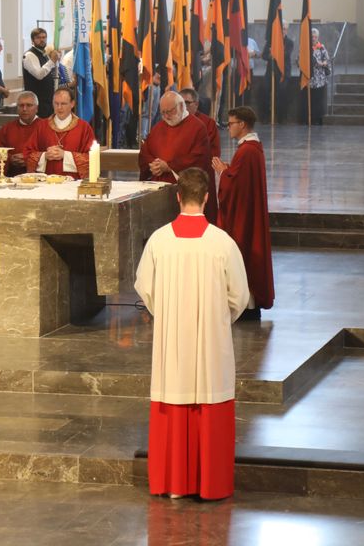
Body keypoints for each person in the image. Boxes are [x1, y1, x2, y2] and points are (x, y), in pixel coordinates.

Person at [134, 168, 248, 501]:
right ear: (207, 198)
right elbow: (239, 296)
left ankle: (174, 484)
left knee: (173, 395)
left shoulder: (159, 241)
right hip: (211, 343)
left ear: (178, 197)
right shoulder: (222, 243)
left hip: (172, 343)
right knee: (210, 396)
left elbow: (145, 288)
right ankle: (210, 484)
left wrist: (168, 314)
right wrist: (218, 319)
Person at [211, 106, 274, 320]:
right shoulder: (251, 149)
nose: (228, 127)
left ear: (242, 124)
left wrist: (223, 173)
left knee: (244, 254)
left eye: (231, 123)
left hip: (244, 217)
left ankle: (246, 305)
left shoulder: (247, 151)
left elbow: (235, 186)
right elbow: (241, 180)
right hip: (248, 211)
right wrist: (229, 171)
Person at [139, 91, 215, 221]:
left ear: (181, 106)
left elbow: (199, 158)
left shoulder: (197, 127)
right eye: (163, 112)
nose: (166, 116)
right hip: (159, 190)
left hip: (186, 190)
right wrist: (153, 164)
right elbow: (145, 152)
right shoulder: (158, 127)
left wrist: (169, 166)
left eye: (169, 111)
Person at [25, 87, 95, 178]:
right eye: (56, 103)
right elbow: (28, 154)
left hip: (73, 182)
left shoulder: (84, 127)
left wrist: (65, 155)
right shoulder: (42, 126)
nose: (59, 107)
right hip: (46, 181)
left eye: (63, 104)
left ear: (72, 104)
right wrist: (44, 156)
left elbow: (92, 158)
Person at [0, 91, 45, 177]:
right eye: (21, 105)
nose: (24, 109)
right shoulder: (7, 129)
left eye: (29, 105)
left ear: (37, 108)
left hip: (39, 178)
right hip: (12, 177)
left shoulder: (46, 127)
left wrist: (30, 159)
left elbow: (51, 153)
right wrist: (9, 159)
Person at [22, 27, 60, 118]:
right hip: (37, 101)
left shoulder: (44, 54)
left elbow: (51, 72)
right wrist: (52, 61)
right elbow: (39, 75)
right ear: (32, 40)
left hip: (48, 100)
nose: (42, 40)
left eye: (44, 37)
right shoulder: (29, 55)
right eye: (38, 38)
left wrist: (56, 60)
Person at [179, 87, 219, 159]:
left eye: (187, 103)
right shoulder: (172, 121)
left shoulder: (208, 123)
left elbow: (214, 151)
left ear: (196, 104)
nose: (183, 107)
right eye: (180, 103)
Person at [307, 28, 330, 126]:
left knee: (319, 100)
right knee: (311, 100)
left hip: (320, 79)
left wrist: (322, 63)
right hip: (309, 79)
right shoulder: (306, 47)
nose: (313, 38)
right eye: (312, 37)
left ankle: (319, 119)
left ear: (318, 37)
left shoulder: (321, 48)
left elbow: (327, 60)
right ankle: (310, 119)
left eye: (315, 37)